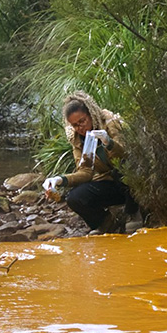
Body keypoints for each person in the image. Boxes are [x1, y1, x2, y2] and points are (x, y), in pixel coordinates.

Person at [42, 91, 139, 233]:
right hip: (109, 185)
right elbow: (86, 172)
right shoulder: (77, 139)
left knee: (122, 167)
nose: (80, 128)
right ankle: (105, 222)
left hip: (131, 181)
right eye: (75, 125)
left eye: (82, 121)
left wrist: (109, 143)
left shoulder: (111, 123)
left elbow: (127, 154)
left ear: (91, 115)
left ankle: (133, 213)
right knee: (74, 197)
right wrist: (60, 180)